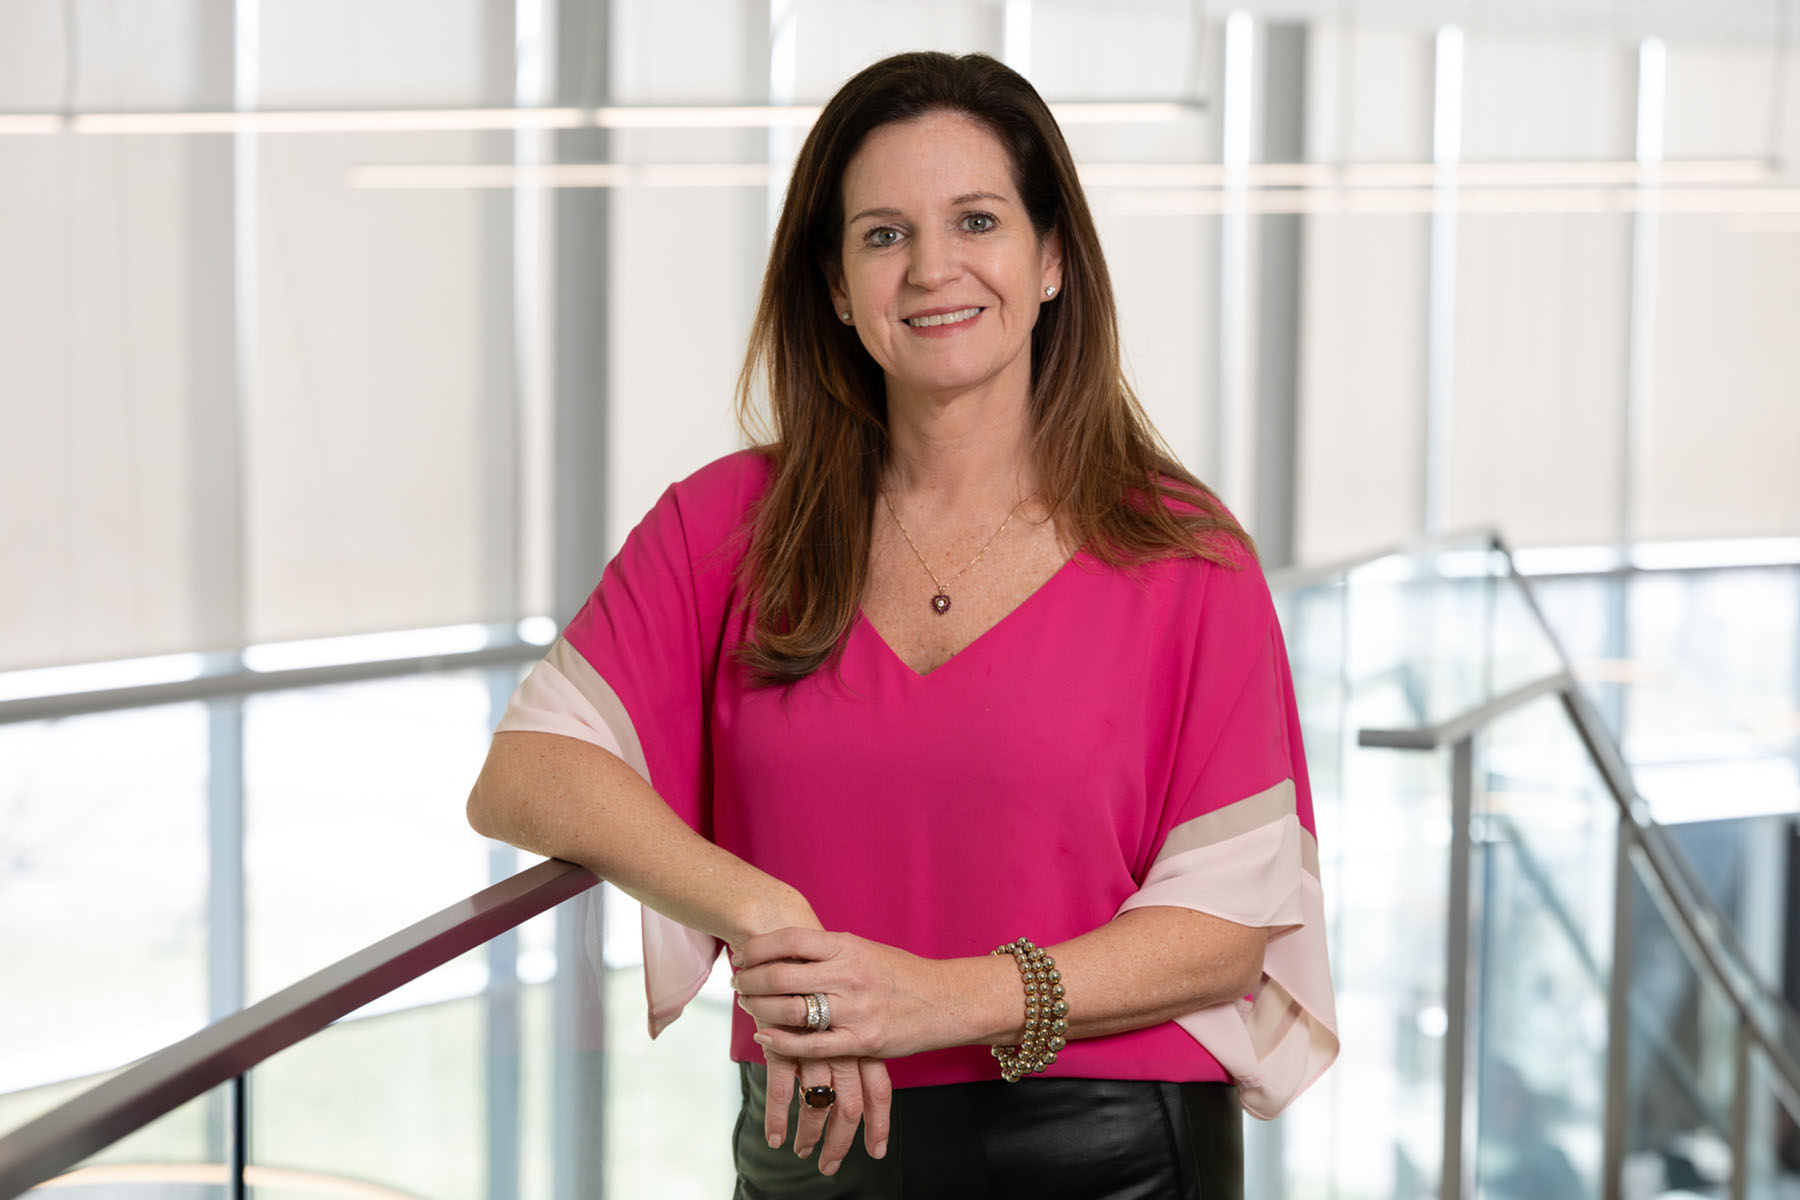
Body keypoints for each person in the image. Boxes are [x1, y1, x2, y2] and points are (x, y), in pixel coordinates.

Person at [467, 50, 1337, 1198]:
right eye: (883, 235)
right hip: (814, 1144)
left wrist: (937, 1000)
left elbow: (1230, 922)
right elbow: (527, 770)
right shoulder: (727, 526)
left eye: (976, 220)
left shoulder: (1180, 550)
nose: (933, 268)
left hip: (1111, 1151)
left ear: (1051, 260)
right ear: (834, 283)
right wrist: (767, 917)